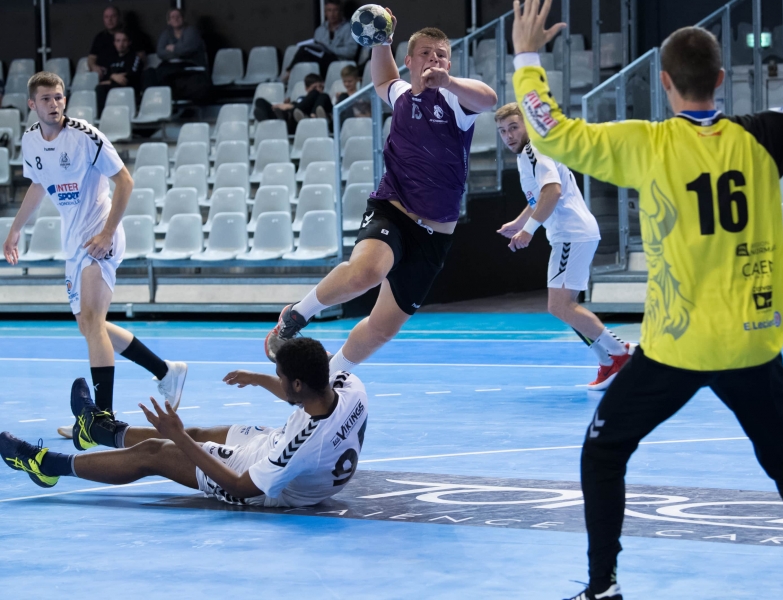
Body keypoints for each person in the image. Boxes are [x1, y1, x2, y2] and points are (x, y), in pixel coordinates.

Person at [510, 0, 783, 598]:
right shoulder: (763, 137)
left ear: (665, 81)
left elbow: (553, 131)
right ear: (721, 80)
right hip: (754, 342)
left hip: (679, 347)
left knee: (604, 454)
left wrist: (527, 57)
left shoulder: (646, 145)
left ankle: (603, 587)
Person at [264, 16, 498, 374]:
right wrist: (381, 40)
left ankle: (334, 373)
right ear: (411, 61)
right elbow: (385, 79)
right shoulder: (402, 95)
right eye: (425, 53)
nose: (434, 59)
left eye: (441, 55)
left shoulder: (456, 102)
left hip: (435, 234)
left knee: (383, 327)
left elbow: (489, 98)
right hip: (393, 211)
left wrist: (448, 82)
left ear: (449, 64)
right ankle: (296, 315)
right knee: (366, 272)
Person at [2, 72, 187, 442]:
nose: (54, 104)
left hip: (101, 236)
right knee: (91, 327)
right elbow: (38, 184)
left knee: (91, 319)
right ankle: (166, 370)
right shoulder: (31, 142)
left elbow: (125, 182)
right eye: (46, 99)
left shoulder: (85, 136)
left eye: (58, 97)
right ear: (32, 105)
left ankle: (101, 417)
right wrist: (16, 228)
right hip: (74, 242)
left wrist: (106, 233)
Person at [0, 338, 369, 509]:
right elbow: (299, 392)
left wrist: (178, 440)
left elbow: (241, 487)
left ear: (300, 383)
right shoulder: (347, 386)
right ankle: (96, 430)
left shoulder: (304, 446)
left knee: (156, 452)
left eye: (280, 375)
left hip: (272, 488)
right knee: (196, 433)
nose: (278, 378)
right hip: (282, 446)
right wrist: (259, 379)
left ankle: (43, 465)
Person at [494, 103, 630, 390]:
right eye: (503, 131)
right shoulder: (527, 155)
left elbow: (552, 192)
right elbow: (538, 197)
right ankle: (607, 360)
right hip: (571, 234)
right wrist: (520, 222)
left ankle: (620, 352)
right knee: (564, 306)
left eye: (514, 127)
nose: (508, 135)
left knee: (560, 305)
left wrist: (528, 232)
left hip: (572, 234)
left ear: (528, 126)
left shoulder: (535, 150)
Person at [284, 1, 360, 82]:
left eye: (335, 10)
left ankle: (288, 73)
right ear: (325, 13)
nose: (332, 14)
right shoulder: (320, 30)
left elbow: (351, 52)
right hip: (322, 60)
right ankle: (300, 81)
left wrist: (329, 48)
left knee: (304, 49)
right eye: (329, 10)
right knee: (305, 51)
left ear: (340, 12)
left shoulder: (348, 29)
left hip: (338, 60)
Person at [253, 73, 333, 126]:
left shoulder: (322, 98)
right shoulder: (301, 98)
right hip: (287, 117)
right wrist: (286, 105)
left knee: (315, 95)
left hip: (297, 122)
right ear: (306, 88)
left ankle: (270, 123)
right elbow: (298, 104)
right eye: (315, 87)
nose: (319, 89)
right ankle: (266, 122)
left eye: (321, 87)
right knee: (260, 101)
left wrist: (290, 106)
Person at [95, 30, 142, 113]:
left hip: (128, 91)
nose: (121, 44)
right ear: (114, 43)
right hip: (111, 90)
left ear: (129, 42)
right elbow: (103, 81)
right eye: (118, 41)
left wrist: (112, 78)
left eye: (124, 40)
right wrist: (113, 77)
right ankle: (102, 116)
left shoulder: (134, 57)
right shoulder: (110, 59)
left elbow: (128, 78)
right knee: (99, 89)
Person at [88, 6, 122, 79]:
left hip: (122, 74)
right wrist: (94, 67)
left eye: (113, 16)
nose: (110, 20)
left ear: (119, 17)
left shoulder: (129, 35)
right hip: (103, 75)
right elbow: (91, 58)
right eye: (106, 17)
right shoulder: (99, 37)